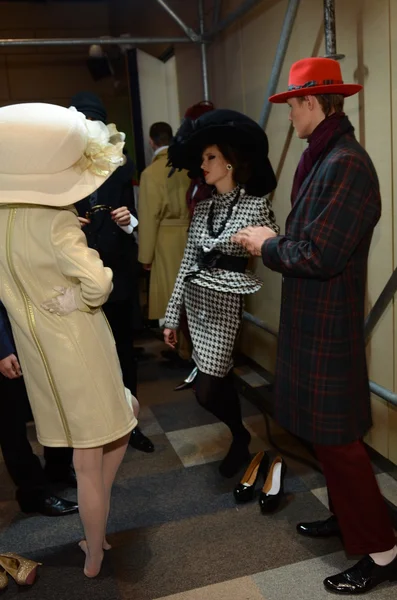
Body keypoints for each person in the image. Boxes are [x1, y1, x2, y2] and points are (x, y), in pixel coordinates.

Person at [233, 57, 397, 594]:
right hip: (314, 319)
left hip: (328, 323)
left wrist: (265, 244)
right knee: (328, 441)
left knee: (341, 443)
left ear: (311, 103)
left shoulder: (344, 162)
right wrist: (273, 239)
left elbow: (322, 253)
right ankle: (353, 520)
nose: (287, 115)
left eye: (291, 105)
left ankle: (383, 549)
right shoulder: (325, 156)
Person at [0, 102, 138, 579]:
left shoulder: (1, 222)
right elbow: (99, 286)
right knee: (91, 456)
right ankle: (95, 552)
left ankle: (93, 533)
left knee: (116, 421)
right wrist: (89, 268)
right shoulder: (58, 221)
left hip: (40, 356)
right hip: (80, 345)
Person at [164, 109, 278, 478]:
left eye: (210, 157)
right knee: (215, 381)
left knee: (206, 390)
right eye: (202, 159)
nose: (204, 164)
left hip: (226, 304)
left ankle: (240, 435)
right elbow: (186, 263)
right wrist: (170, 316)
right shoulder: (203, 209)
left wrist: (259, 244)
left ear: (229, 162)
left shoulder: (255, 204)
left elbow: (277, 247)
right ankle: (239, 436)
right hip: (197, 305)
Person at [70, 92, 153, 454]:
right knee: (87, 352)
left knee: (122, 348)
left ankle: (130, 423)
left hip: (116, 270)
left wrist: (127, 219)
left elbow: (134, 220)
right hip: (78, 272)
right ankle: (97, 428)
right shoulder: (64, 168)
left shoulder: (120, 166)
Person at [0, 301, 78, 517]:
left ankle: (58, 468)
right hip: (6, 341)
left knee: (52, 402)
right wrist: (2, 349)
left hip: (30, 331)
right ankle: (33, 493)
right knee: (11, 423)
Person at [138, 121, 191, 361]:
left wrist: (145, 257)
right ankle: (191, 349)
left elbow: (149, 216)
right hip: (190, 234)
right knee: (191, 295)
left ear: (152, 142)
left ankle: (181, 350)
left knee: (173, 295)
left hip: (166, 239)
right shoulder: (188, 166)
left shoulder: (151, 174)